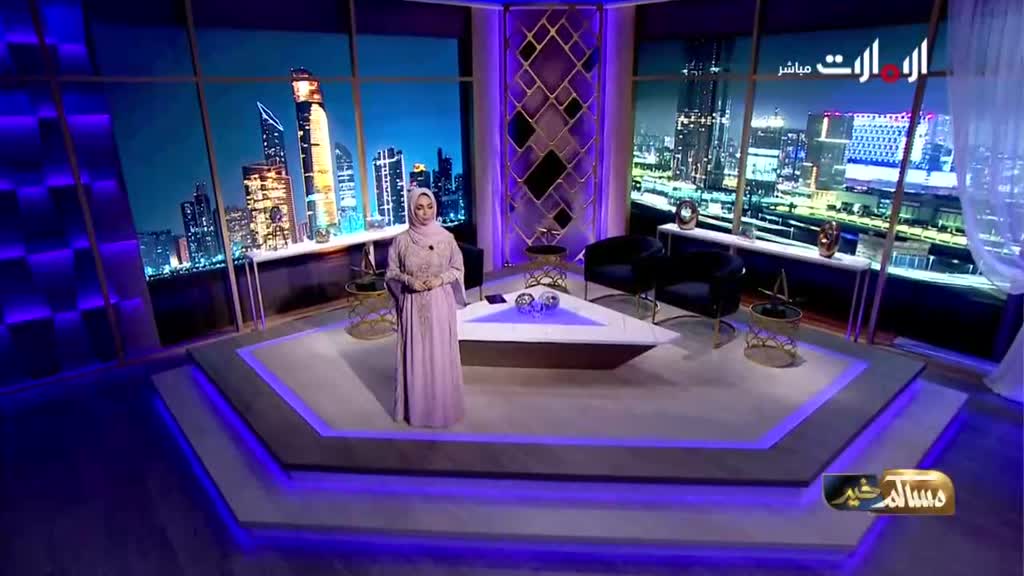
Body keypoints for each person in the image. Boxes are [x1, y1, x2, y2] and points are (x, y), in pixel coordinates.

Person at [385, 187, 466, 428]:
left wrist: (439, 280)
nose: (425, 212)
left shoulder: (446, 238)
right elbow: (391, 273)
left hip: (440, 303)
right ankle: (418, 410)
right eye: (419, 208)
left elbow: (457, 269)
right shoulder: (401, 241)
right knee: (416, 355)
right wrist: (409, 281)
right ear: (411, 209)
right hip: (412, 305)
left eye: (429, 207)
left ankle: (443, 409)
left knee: (440, 354)